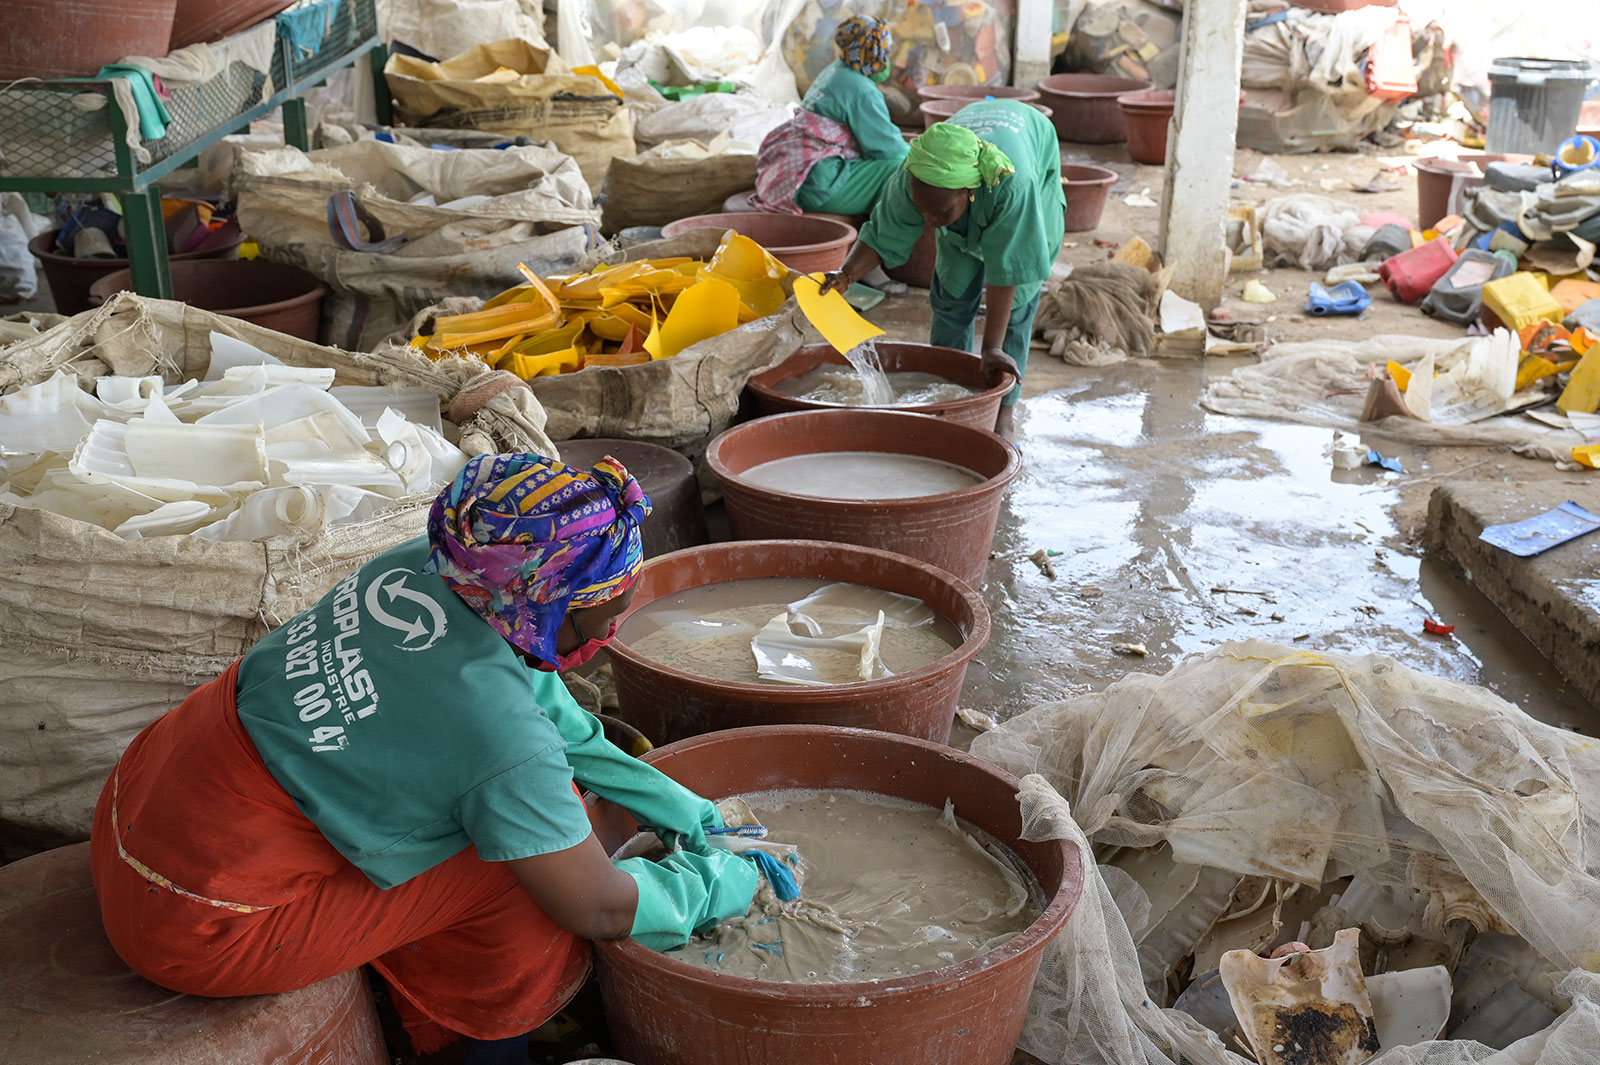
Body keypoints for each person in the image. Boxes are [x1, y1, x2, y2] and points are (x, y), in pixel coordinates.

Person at [90, 454, 763, 1065]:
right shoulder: (499, 737)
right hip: (193, 917)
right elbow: (599, 906)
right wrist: (721, 882)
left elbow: (547, 705)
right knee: (525, 867)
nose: (612, 632)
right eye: (601, 617)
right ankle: (479, 1050)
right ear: (544, 605)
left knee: (524, 817)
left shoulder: (437, 568)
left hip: (137, 800)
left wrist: (674, 802)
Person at [821, 98, 1066, 438]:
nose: (929, 222)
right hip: (962, 192)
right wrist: (845, 275)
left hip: (1027, 156)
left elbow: (1009, 269)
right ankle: (949, 391)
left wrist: (991, 348)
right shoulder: (913, 176)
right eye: (922, 210)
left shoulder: (1013, 185)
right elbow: (881, 235)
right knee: (950, 297)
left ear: (969, 191)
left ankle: (1003, 409)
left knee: (1019, 303)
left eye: (941, 214)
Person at [750, 15, 908, 218]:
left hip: (795, 170)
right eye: (884, 52)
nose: (886, 59)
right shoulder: (861, 90)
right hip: (817, 184)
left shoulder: (834, 70)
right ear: (873, 52)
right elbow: (886, 149)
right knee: (902, 171)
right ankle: (884, 239)